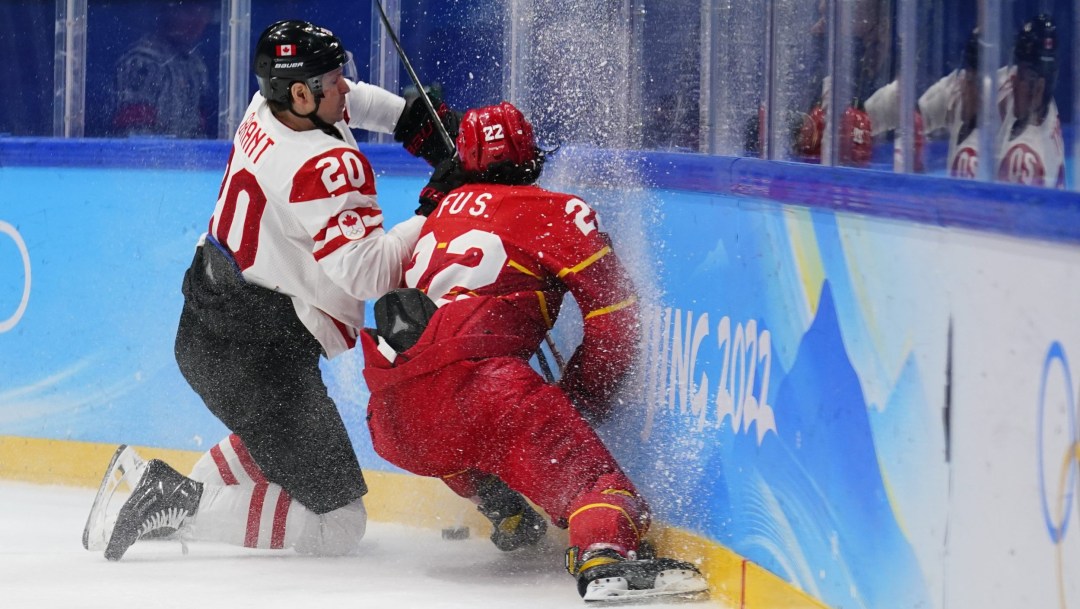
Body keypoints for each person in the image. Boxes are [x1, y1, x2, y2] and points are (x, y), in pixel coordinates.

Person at [83, 19, 464, 562]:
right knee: (340, 525)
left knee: (276, 443)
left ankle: (179, 493)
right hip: (257, 359)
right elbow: (368, 274)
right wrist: (436, 208)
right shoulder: (325, 167)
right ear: (302, 94)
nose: (344, 87)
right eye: (332, 81)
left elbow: (356, 101)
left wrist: (408, 118)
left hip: (210, 328)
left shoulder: (264, 109)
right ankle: (182, 500)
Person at [358, 102, 709, 602]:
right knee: (603, 491)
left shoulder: (436, 214)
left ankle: (502, 504)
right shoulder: (559, 210)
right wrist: (584, 396)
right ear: (530, 157)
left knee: (449, 423)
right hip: (483, 394)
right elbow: (614, 319)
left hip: (392, 419)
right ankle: (604, 557)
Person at [866, 14, 1064, 187]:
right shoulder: (990, 85)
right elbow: (913, 110)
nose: (966, 86)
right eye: (969, 77)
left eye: (1028, 79)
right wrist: (864, 123)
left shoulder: (1025, 156)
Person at [112, 1, 214, 138]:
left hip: (188, 157)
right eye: (189, 10)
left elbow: (198, 131)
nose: (198, 20)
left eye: (203, 11)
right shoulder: (142, 61)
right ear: (168, 11)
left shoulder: (195, 63)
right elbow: (136, 140)